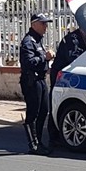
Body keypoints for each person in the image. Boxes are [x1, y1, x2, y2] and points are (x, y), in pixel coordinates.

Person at [47, 26, 86, 147]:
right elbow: (73, 59)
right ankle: (54, 136)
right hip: (64, 76)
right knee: (56, 104)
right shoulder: (72, 40)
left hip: (75, 77)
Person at [19, 13, 54, 154]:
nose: (46, 26)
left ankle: (39, 142)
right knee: (33, 113)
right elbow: (27, 62)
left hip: (41, 79)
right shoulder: (28, 41)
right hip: (31, 81)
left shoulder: (38, 40)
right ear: (34, 24)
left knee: (43, 111)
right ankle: (33, 145)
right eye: (43, 23)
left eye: (46, 24)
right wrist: (43, 57)